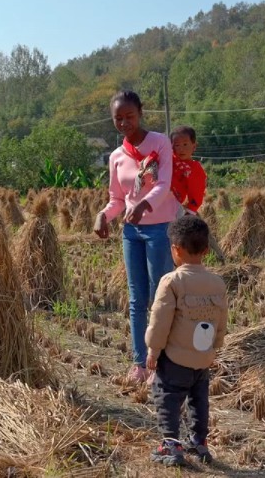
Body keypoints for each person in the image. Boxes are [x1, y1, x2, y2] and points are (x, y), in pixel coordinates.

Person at [94, 90, 175, 385]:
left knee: (160, 297)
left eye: (129, 116)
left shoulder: (160, 142)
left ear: (141, 112)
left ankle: (160, 362)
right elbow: (117, 198)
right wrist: (104, 215)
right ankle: (140, 363)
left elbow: (164, 184)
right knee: (136, 299)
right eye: (118, 118)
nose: (124, 122)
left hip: (160, 227)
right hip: (131, 232)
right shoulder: (117, 156)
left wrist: (144, 204)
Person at [145, 215, 228, 467]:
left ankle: (170, 444)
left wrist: (153, 350)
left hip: (175, 358)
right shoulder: (217, 283)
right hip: (203, 357)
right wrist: (215, 346)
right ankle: (199, 442)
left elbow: (160, 321)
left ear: (175, 249)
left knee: (166, 395)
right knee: (199, 399)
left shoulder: (172, 281)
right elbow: (221, 320)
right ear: (205, 250)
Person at [169, 125, 225, 261]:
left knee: (174, 238)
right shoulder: (168, 160)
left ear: (194, 146)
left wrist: (190, 210)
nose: (181, 149)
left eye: (185, 144)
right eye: (176, 145)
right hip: (159, 202)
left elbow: (197, 191)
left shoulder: (195, 169)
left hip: (176, 206)